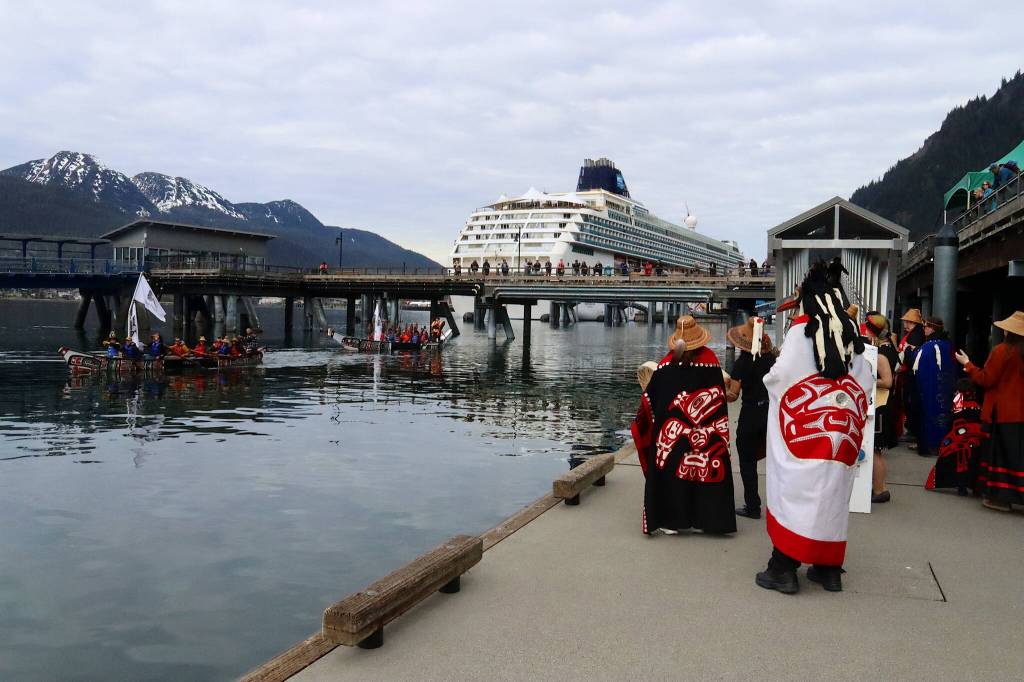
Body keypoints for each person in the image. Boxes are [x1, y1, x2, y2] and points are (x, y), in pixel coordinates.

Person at [755, 261, 871, 595]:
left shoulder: (802, 330)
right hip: (838, 437)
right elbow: (862, 384)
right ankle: (828, 569)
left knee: (795, 490)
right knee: (832, 497)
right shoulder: (850, 333)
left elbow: (780, 376)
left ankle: (784, 568)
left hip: (805, 431)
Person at [630, 315, 736, 536]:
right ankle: (708, 520)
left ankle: (671, 521)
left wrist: (646, 422)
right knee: (706, 473)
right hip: (707, 431)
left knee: (671, 473)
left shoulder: (666, 364)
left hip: (674, 431)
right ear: (699, 337)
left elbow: (650, 400)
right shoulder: (711, 362)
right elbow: (719, 401)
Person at [955, 310, 1024, 511]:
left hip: (1002, 413)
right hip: (1019, 412)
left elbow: (986, 379)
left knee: (1001, 457)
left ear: (1008, 332)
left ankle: (1000, 498)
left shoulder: (1002, 351)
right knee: (1017, 457)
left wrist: (967, 364)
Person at [725, 316, 776, 519]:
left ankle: (753, 506)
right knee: (776, 461)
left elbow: (734, 394)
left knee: (747, 461)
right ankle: (780, 505)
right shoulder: (772, 360)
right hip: (771, 413)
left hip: (751, 414)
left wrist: (722, 388)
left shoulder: (743, 362)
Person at [925, 378, 987, 496]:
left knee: (960, 464)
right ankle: (976, 488)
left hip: (960, 442)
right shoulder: (978, 407)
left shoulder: (957, 407)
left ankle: (961, 487)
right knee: (974, 465)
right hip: (977, 442)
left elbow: (951, 425)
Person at [863, 312, 898, 503]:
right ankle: (879, 487)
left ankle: (879, 489)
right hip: (881, 404)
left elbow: (888, 381)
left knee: (875, 450)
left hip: (880, 404)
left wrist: (868, 380)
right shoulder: (887, 348)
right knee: (874, 449)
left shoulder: (882, 354)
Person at [914, 316, 955, 456]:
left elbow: (918, 370)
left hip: (928, 389)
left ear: (932, 328)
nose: (924, 329)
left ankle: (929, 445)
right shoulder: (949, 345)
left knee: (928, 414)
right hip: (945, 387)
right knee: (943, 414)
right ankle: (944, 444)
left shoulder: (927, 347)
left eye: (925, 327)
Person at [897, 308, 926, 444]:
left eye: (907, 322)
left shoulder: (915, 336)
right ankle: (911, 429)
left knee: (910, 402)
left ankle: (912, 430)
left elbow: (911, 357)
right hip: (908, 372)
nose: (905, 324)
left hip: (910, 374)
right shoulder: (915, 334)